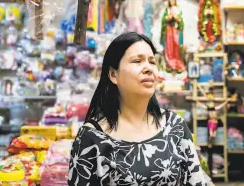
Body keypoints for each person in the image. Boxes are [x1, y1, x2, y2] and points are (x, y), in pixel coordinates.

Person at [68, 32, 208, 186]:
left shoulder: (174, 126)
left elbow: (196, 181)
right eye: (137, 61)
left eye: (152, 61)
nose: (148, 68)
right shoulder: (92, 137)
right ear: (114, 74)